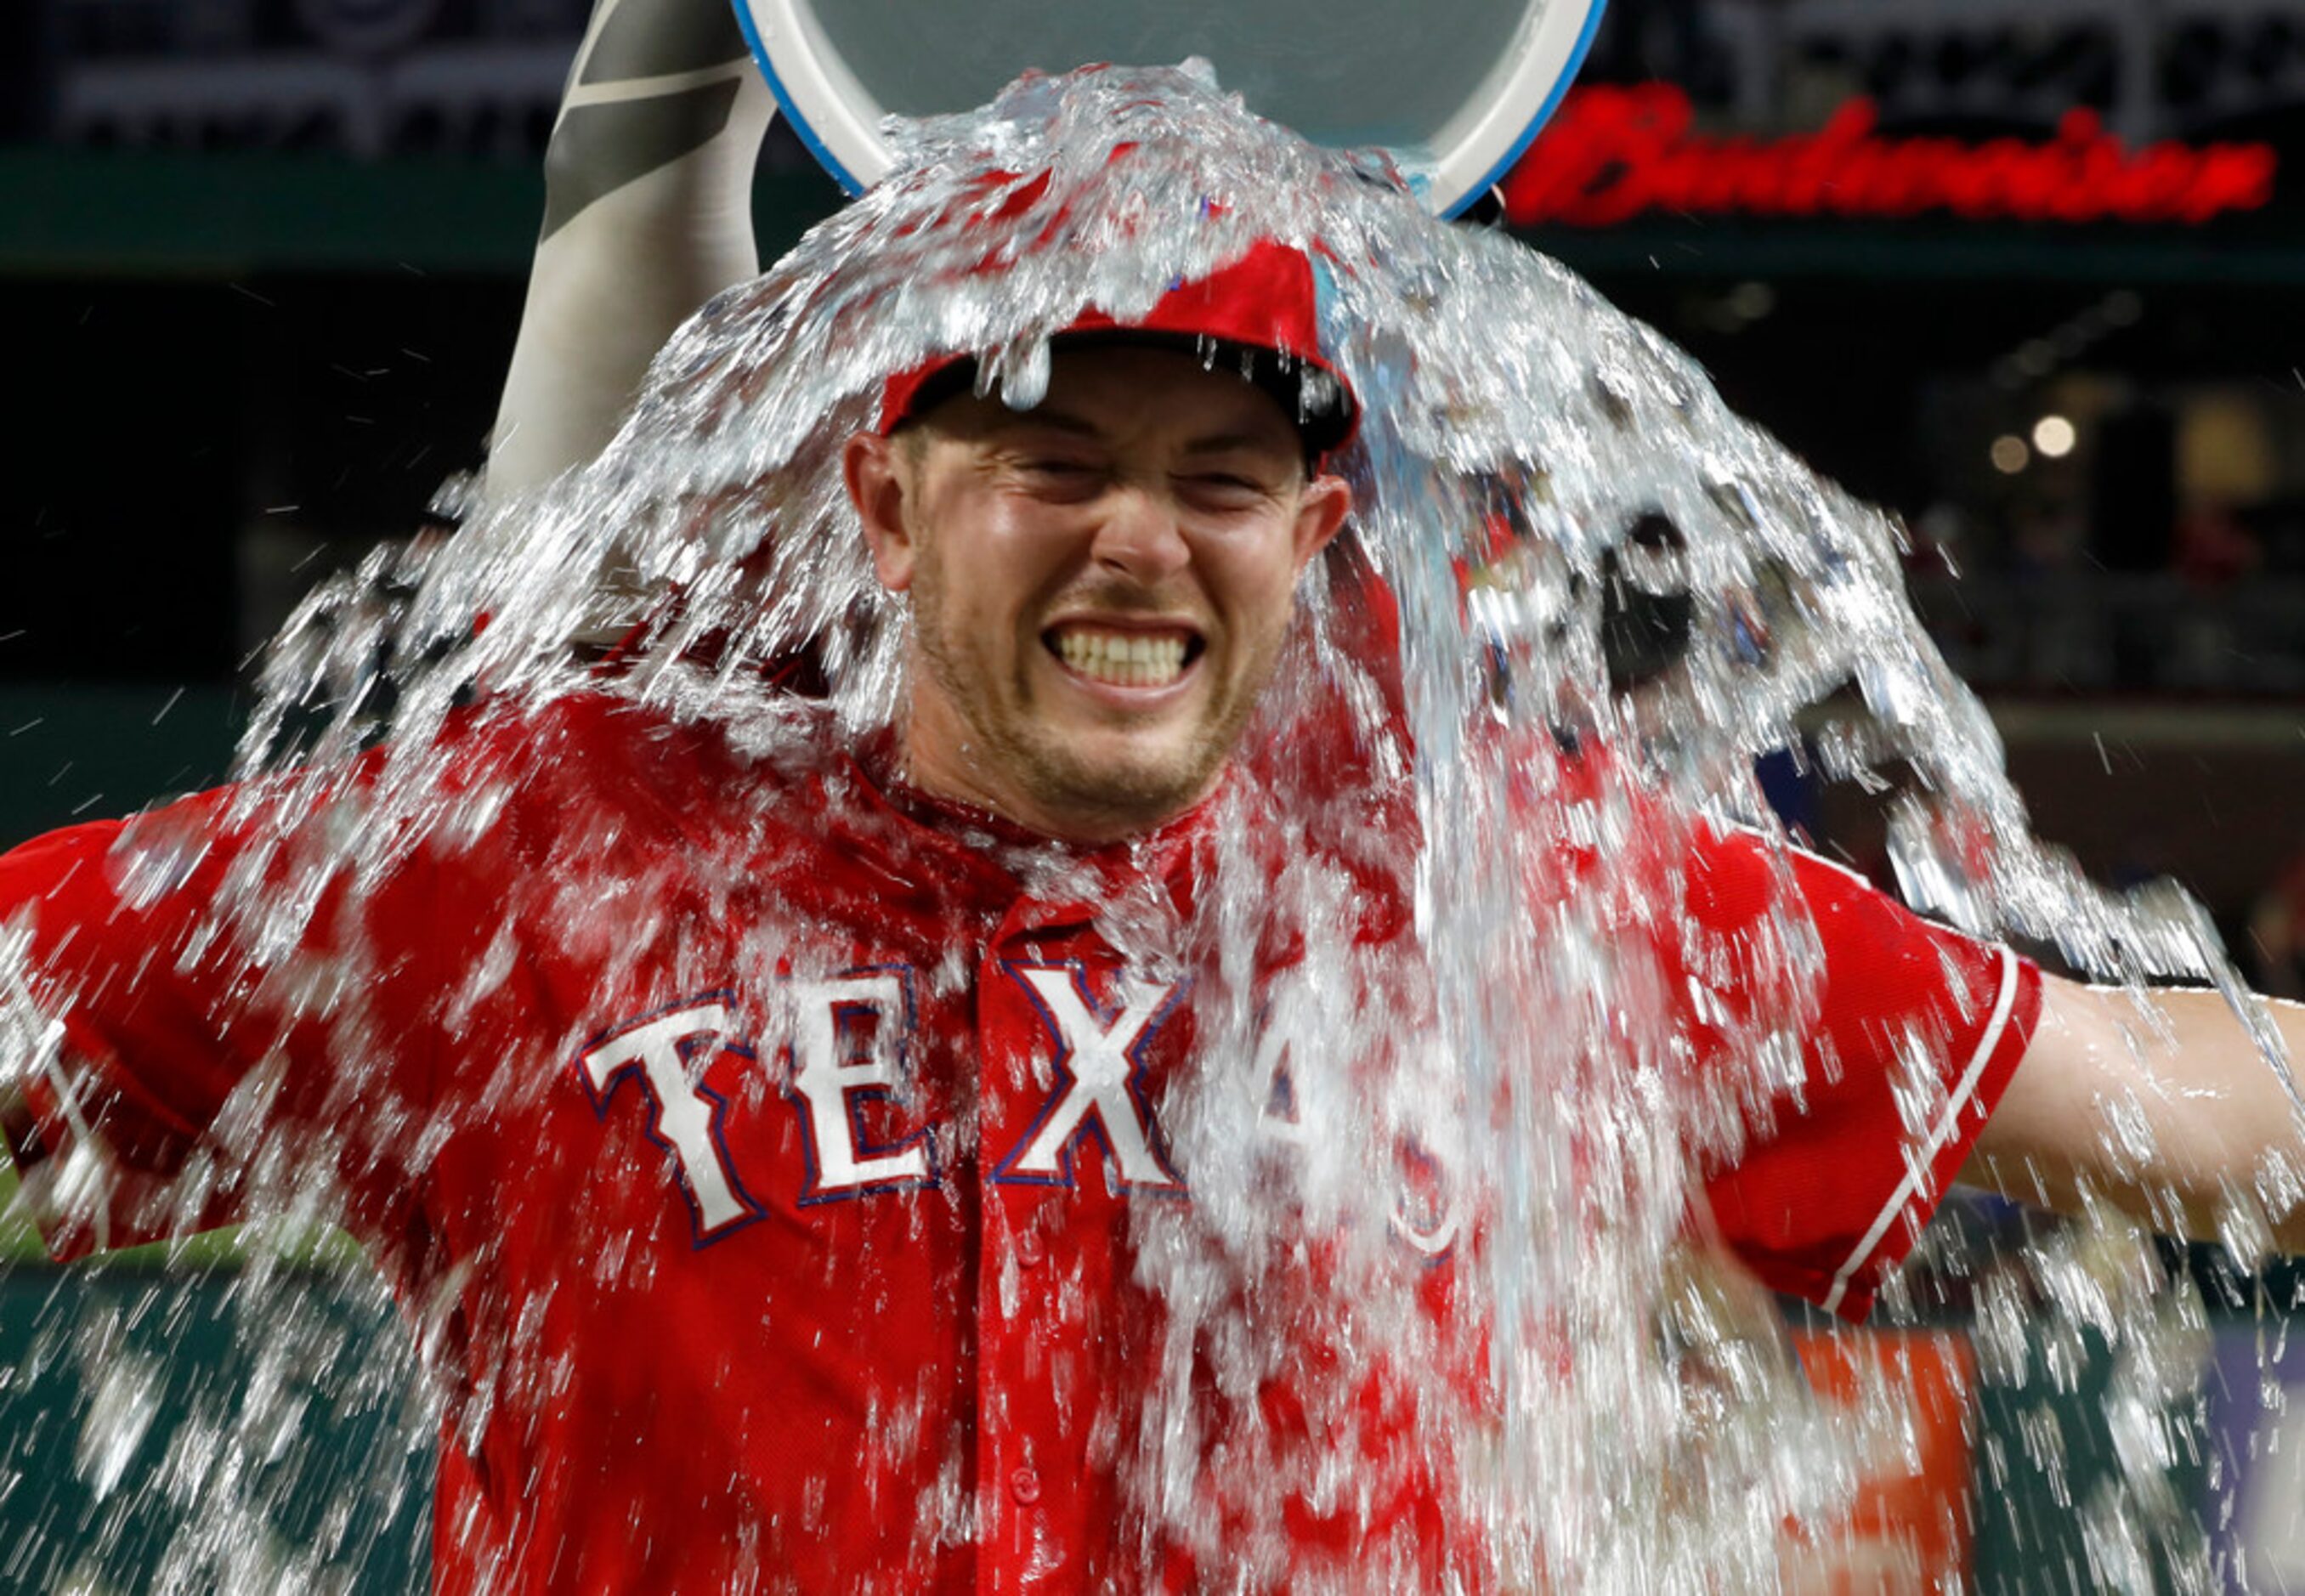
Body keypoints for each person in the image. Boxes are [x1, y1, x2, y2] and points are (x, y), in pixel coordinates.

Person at [5, 13, 2303, 1596]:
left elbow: (2172, 1095)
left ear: (1318, 540)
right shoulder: (542, 861)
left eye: (1221, 477)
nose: (1140, 538)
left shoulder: (1511, 887)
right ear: (888, 512)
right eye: (1053, 464)